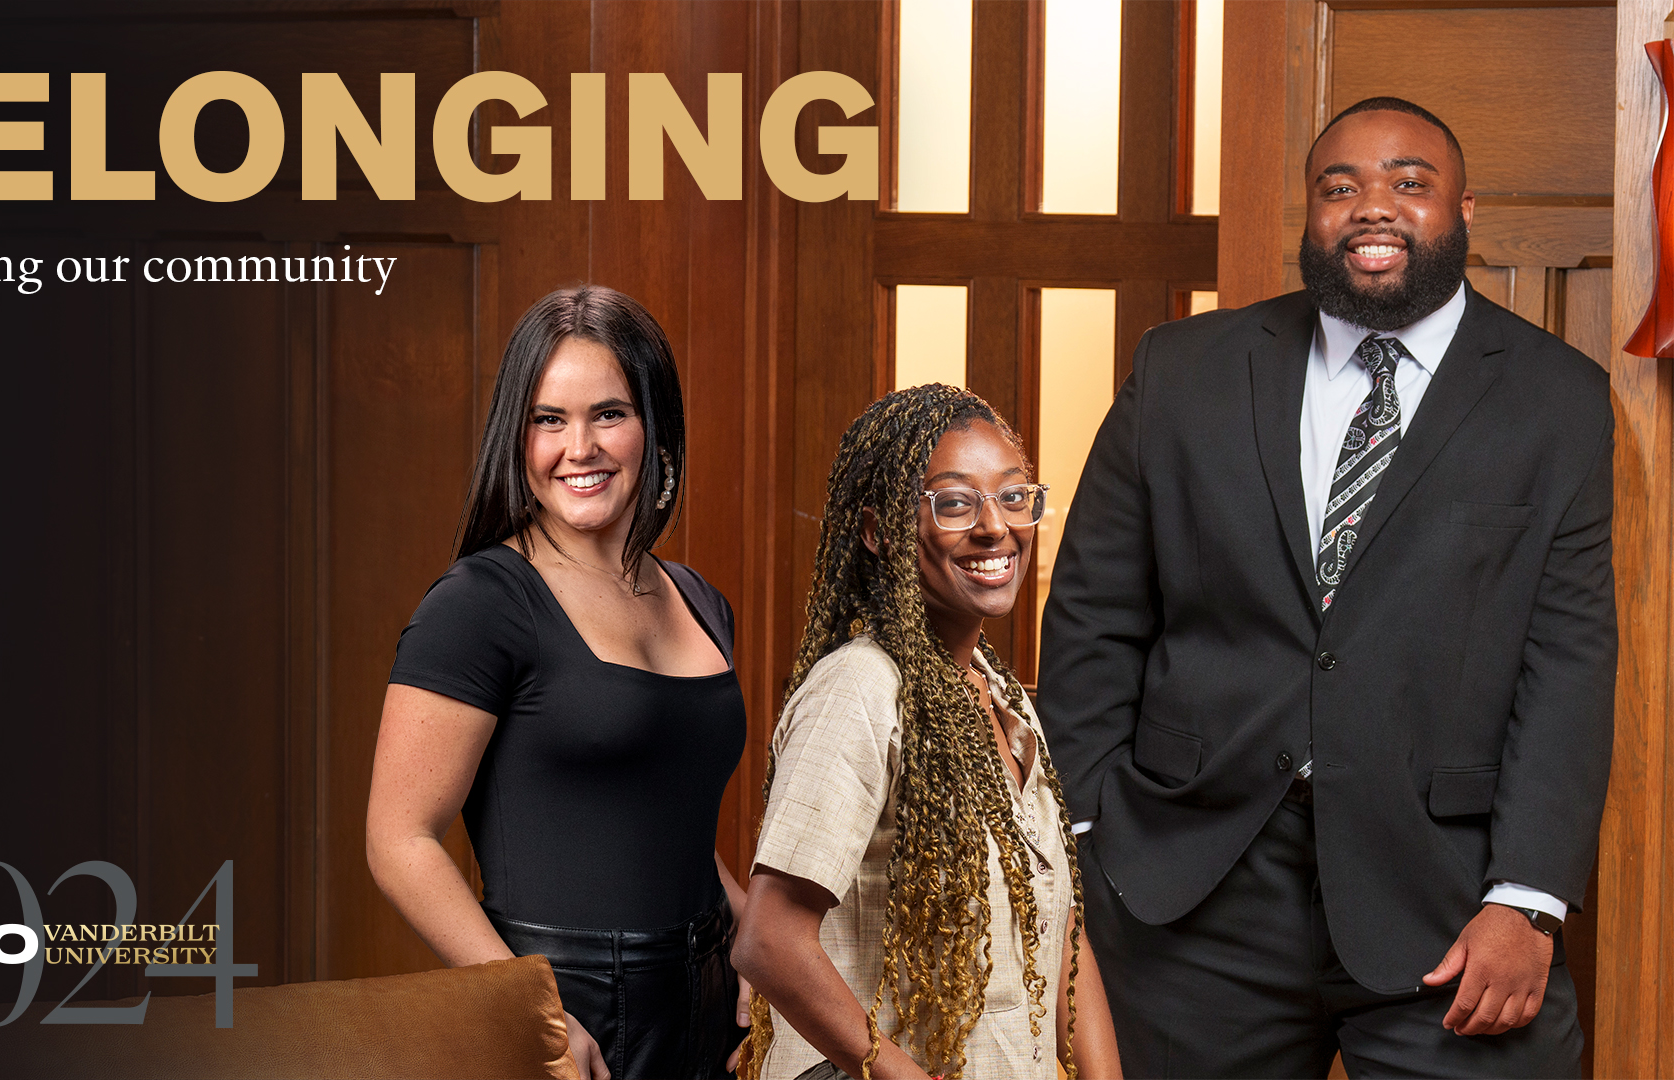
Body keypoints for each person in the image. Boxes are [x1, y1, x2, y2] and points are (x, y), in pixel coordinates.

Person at [1039, 96, 1616, 1077]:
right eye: (1337, 188)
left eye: (1408, 183)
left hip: (1445, 899)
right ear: (1310, 216)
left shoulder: (1554, 398)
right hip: (1190, 894)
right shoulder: (1184, 371)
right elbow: (1094, 612)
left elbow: (1567, 660)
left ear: (1465, 210)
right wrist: (1090, 834)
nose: (1370, 208)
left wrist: (1527, 900)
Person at [366, 285, 750, 1080]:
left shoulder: (702, 602)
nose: (581, 447)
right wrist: (529, 1008)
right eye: (550, 420)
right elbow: (398, 840)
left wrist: (752, 946)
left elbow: (659, 808)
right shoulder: (479, 605)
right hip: (569, 1012)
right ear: (519, 436)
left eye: (609, 414)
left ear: (655, 428)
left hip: (710, 1005)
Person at [733, 384, 1122, 1080]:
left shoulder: (1001, 695)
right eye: (953, 502)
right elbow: (768, 940)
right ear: (880, 531)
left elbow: (1061, 926)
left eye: (1012, 496)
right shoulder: (860, 690)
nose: (995, 527)